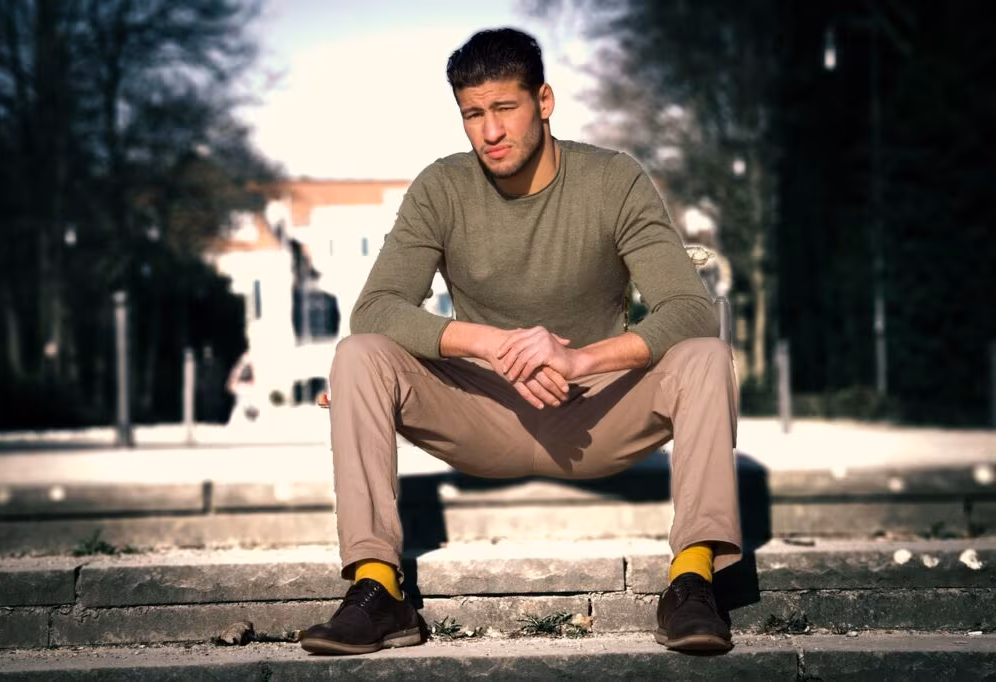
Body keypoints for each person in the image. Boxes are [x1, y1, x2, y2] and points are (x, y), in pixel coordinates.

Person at [300, 27, 741, 656]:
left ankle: (693, 580)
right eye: (472, 114)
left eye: (505, 108)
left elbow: (689, 311)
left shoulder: (614, 180)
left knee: (706, 355)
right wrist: (484, 342)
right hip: (484, 413)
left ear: (544, 100)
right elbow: (374, 309)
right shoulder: (442, 188)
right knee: (359, 355)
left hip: (600, 410)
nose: (490, 131)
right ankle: (378, 591)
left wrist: (579, 356)